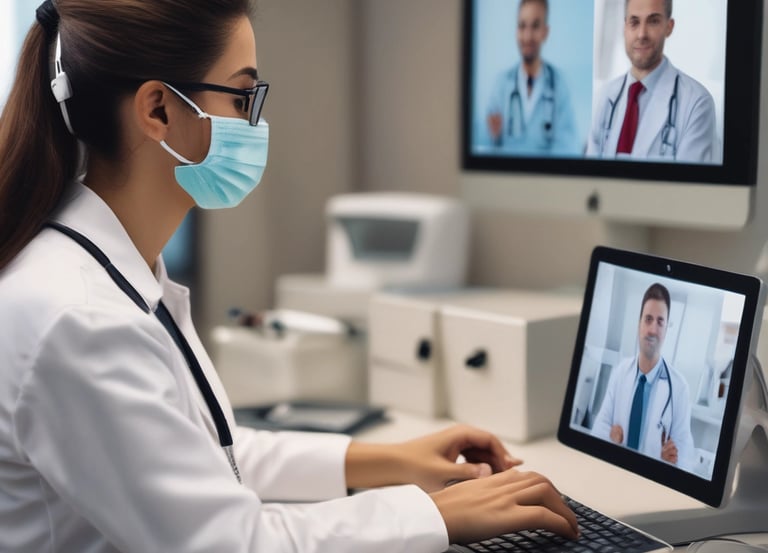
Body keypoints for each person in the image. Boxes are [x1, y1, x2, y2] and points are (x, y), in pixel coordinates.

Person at [0, 1, 579, 551]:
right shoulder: (78, 319)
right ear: (158, 111)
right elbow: (229, 542)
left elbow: (202, 455)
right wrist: (436, 515)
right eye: (243, 95)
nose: (253, 122)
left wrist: (390, 461)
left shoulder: (112, 268)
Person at [586, 0, 719, 163]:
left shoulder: (697, 103)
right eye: (634, 22)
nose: (642, 34)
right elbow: (590, 178)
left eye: (653, 21)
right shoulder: (605, 97)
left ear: (669, 27)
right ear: (624, 28)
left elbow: (691, 186)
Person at [591, 283, 696, 471]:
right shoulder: (620, 372)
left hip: (652, 484)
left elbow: (687, 456)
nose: (652, 330)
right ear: (639, 323)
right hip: (614, 474)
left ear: (666, 329)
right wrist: (610, 436)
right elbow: (598, 428)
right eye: (648, 319)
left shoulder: (679, 388)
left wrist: (670, 459)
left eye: (660, 322)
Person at [486, 0, 581, 156]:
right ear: (516, 31)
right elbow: (487, 148)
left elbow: (567, 149)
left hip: (547, 178)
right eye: (522, 26)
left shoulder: (560, 84)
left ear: (545, 32)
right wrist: (494, 139)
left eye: (535, 26)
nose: (527, 36)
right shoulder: (501, 85)